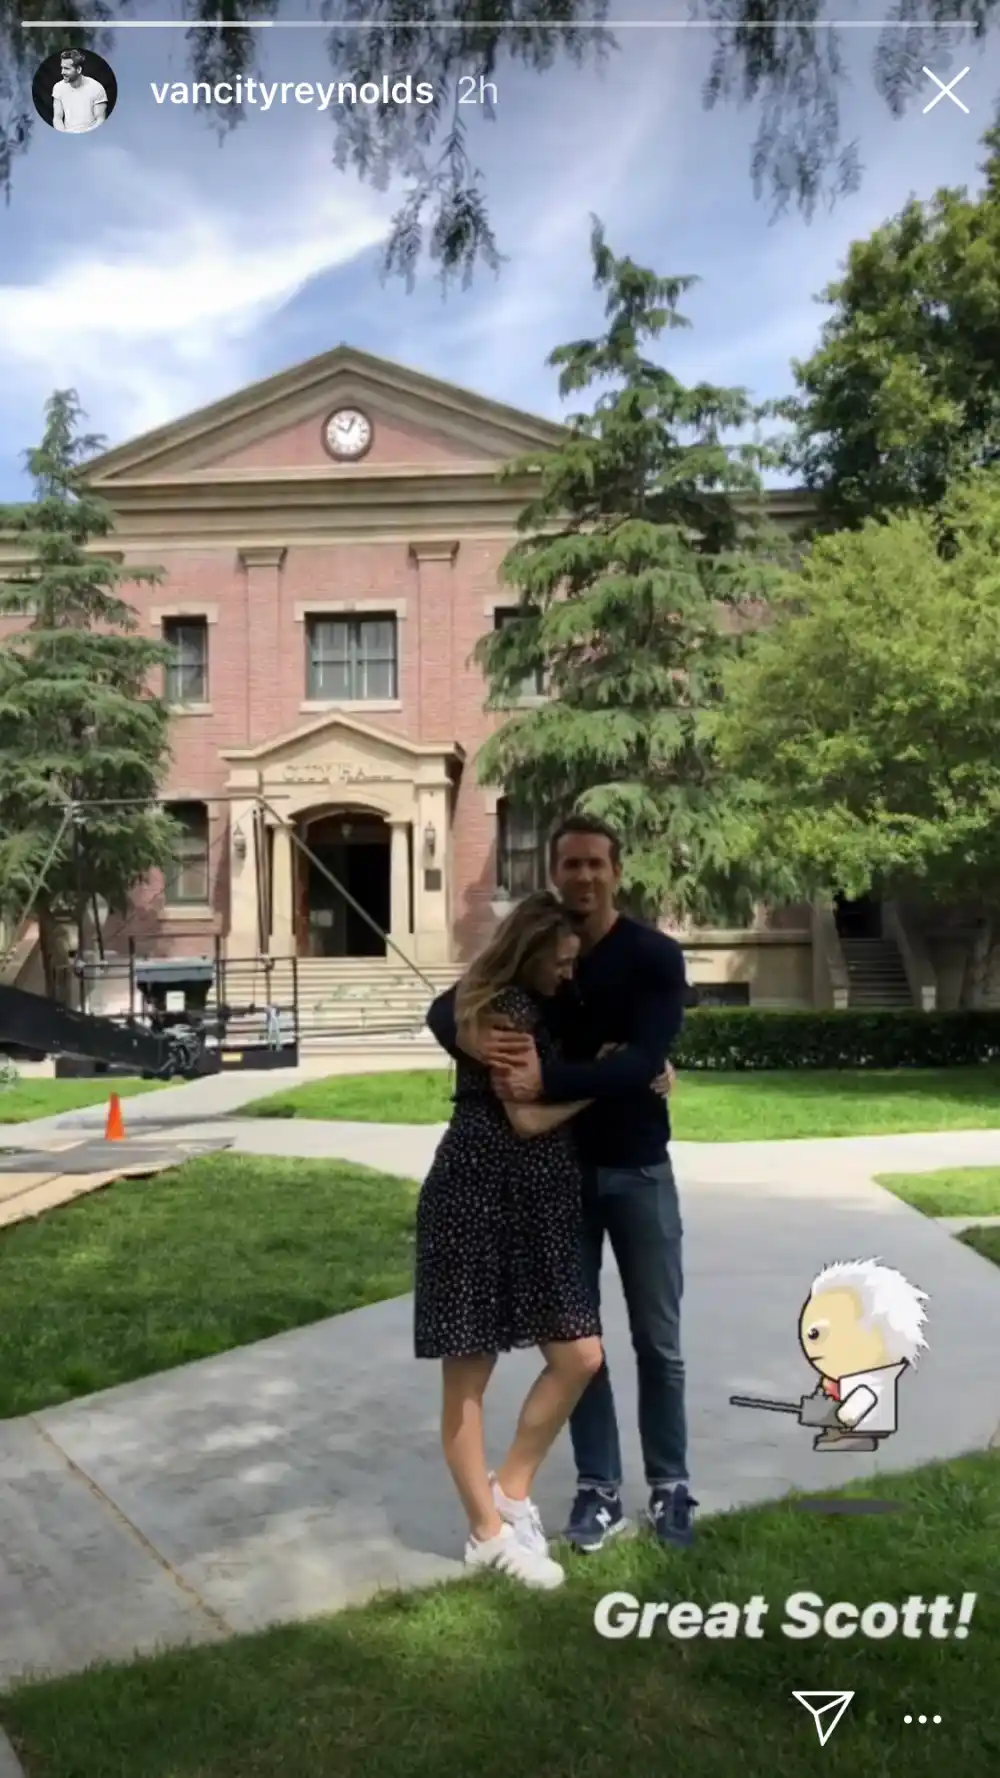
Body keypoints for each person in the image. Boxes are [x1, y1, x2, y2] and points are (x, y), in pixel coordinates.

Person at [426, 813, 695, 1551]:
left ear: (617, 870)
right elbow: (450, 1004)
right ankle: (598, 1488)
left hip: (638, 1167)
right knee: (582, 1343)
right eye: (570, 864)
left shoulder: (652, 957)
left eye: (595, 864)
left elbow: (644, 1058)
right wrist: (463, 1032)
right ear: (556, 873)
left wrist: (561, 1078)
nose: (583, 876)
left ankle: (671, 1485)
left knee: (658, 1342)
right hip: (563, 1175)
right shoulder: (543, 956)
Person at [414, 890, 603, 1590]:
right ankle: (487, 1536)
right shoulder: (510, 1013)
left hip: (532, 1201)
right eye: (559, 961)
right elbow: (524, 1119)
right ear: (530, 955)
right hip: (478, 1194)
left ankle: (511, 1491)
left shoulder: (524, 1004)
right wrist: (607, 1086)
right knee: (468, 1375)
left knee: (579, 1355)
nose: (566, 973)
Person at [52, 50, 107, 133]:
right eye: (62, 68)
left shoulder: (96, 88)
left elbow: (100, 120)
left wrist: (84, 135)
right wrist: (64, 134)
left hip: (91, 136)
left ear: (78, 69)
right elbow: (57, 117)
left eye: (66, 68)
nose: (62, 72)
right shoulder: (58, 87)